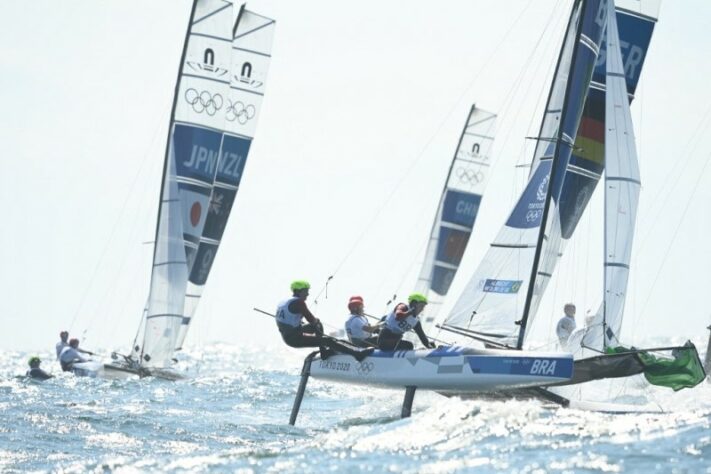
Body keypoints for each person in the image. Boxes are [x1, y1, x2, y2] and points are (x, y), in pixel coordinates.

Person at [276, 280, 374, 361]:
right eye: (306, 291)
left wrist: (302, 324)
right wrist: (315, 322)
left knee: (319, 326)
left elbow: (285, 321)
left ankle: (324, 352)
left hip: (289, 335)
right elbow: (312, 320)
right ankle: (357, 354)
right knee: (328, 340)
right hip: (294, 339)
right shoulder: (299, 302)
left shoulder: (284, 302)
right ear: (299, 291)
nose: (308, 294)